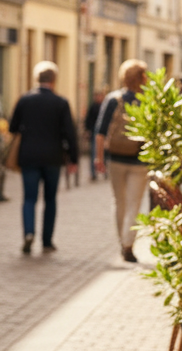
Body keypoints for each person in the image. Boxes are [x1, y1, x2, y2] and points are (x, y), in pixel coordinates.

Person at [9, 61, 78, 254]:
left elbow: (13, 127)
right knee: (50, 199)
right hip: (52, 158)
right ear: (54, 80)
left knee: (29, 198)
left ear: (36, 79)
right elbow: (70, 133)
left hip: (28, 156)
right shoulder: (61, 103)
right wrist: (73, 159)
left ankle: (29, 233)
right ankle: (47, 241)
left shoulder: (24, 100)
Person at [95, 59, 148, 263]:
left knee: (119, 202)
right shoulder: (148, 100)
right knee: (134, 204)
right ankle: (128, 244)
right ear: (142, 78)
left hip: (116, 159)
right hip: (140, 161)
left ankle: (122, 242)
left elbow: (100, 132)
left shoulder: (113, 99)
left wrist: (98, 158)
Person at [83, 89, 106, 181]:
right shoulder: (93, 107)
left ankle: (104, 172)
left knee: (104, 153)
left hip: (103, 133)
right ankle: (93, 173)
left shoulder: (104, 106)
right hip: (94, 133)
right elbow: (88, 120)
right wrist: (87, 130)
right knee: (94, 153)